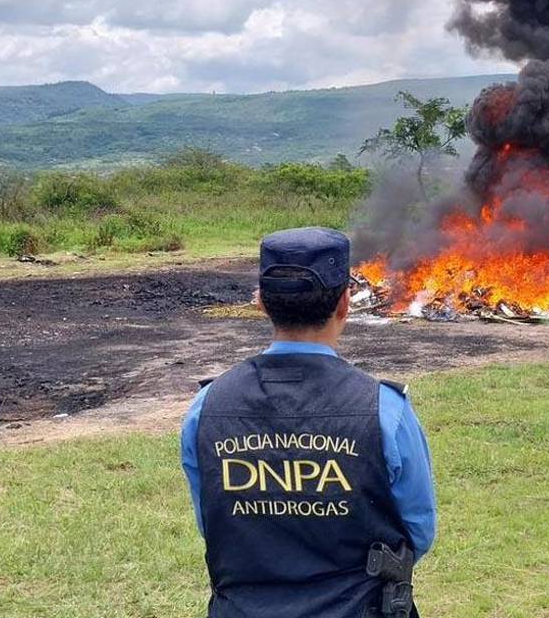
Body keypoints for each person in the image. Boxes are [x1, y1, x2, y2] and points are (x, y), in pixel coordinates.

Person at [180, 227, 437, 618]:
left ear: (261, 303)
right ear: (345, 304)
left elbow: (212, 523)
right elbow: (417, 532)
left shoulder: (207, 408)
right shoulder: (386, 410)